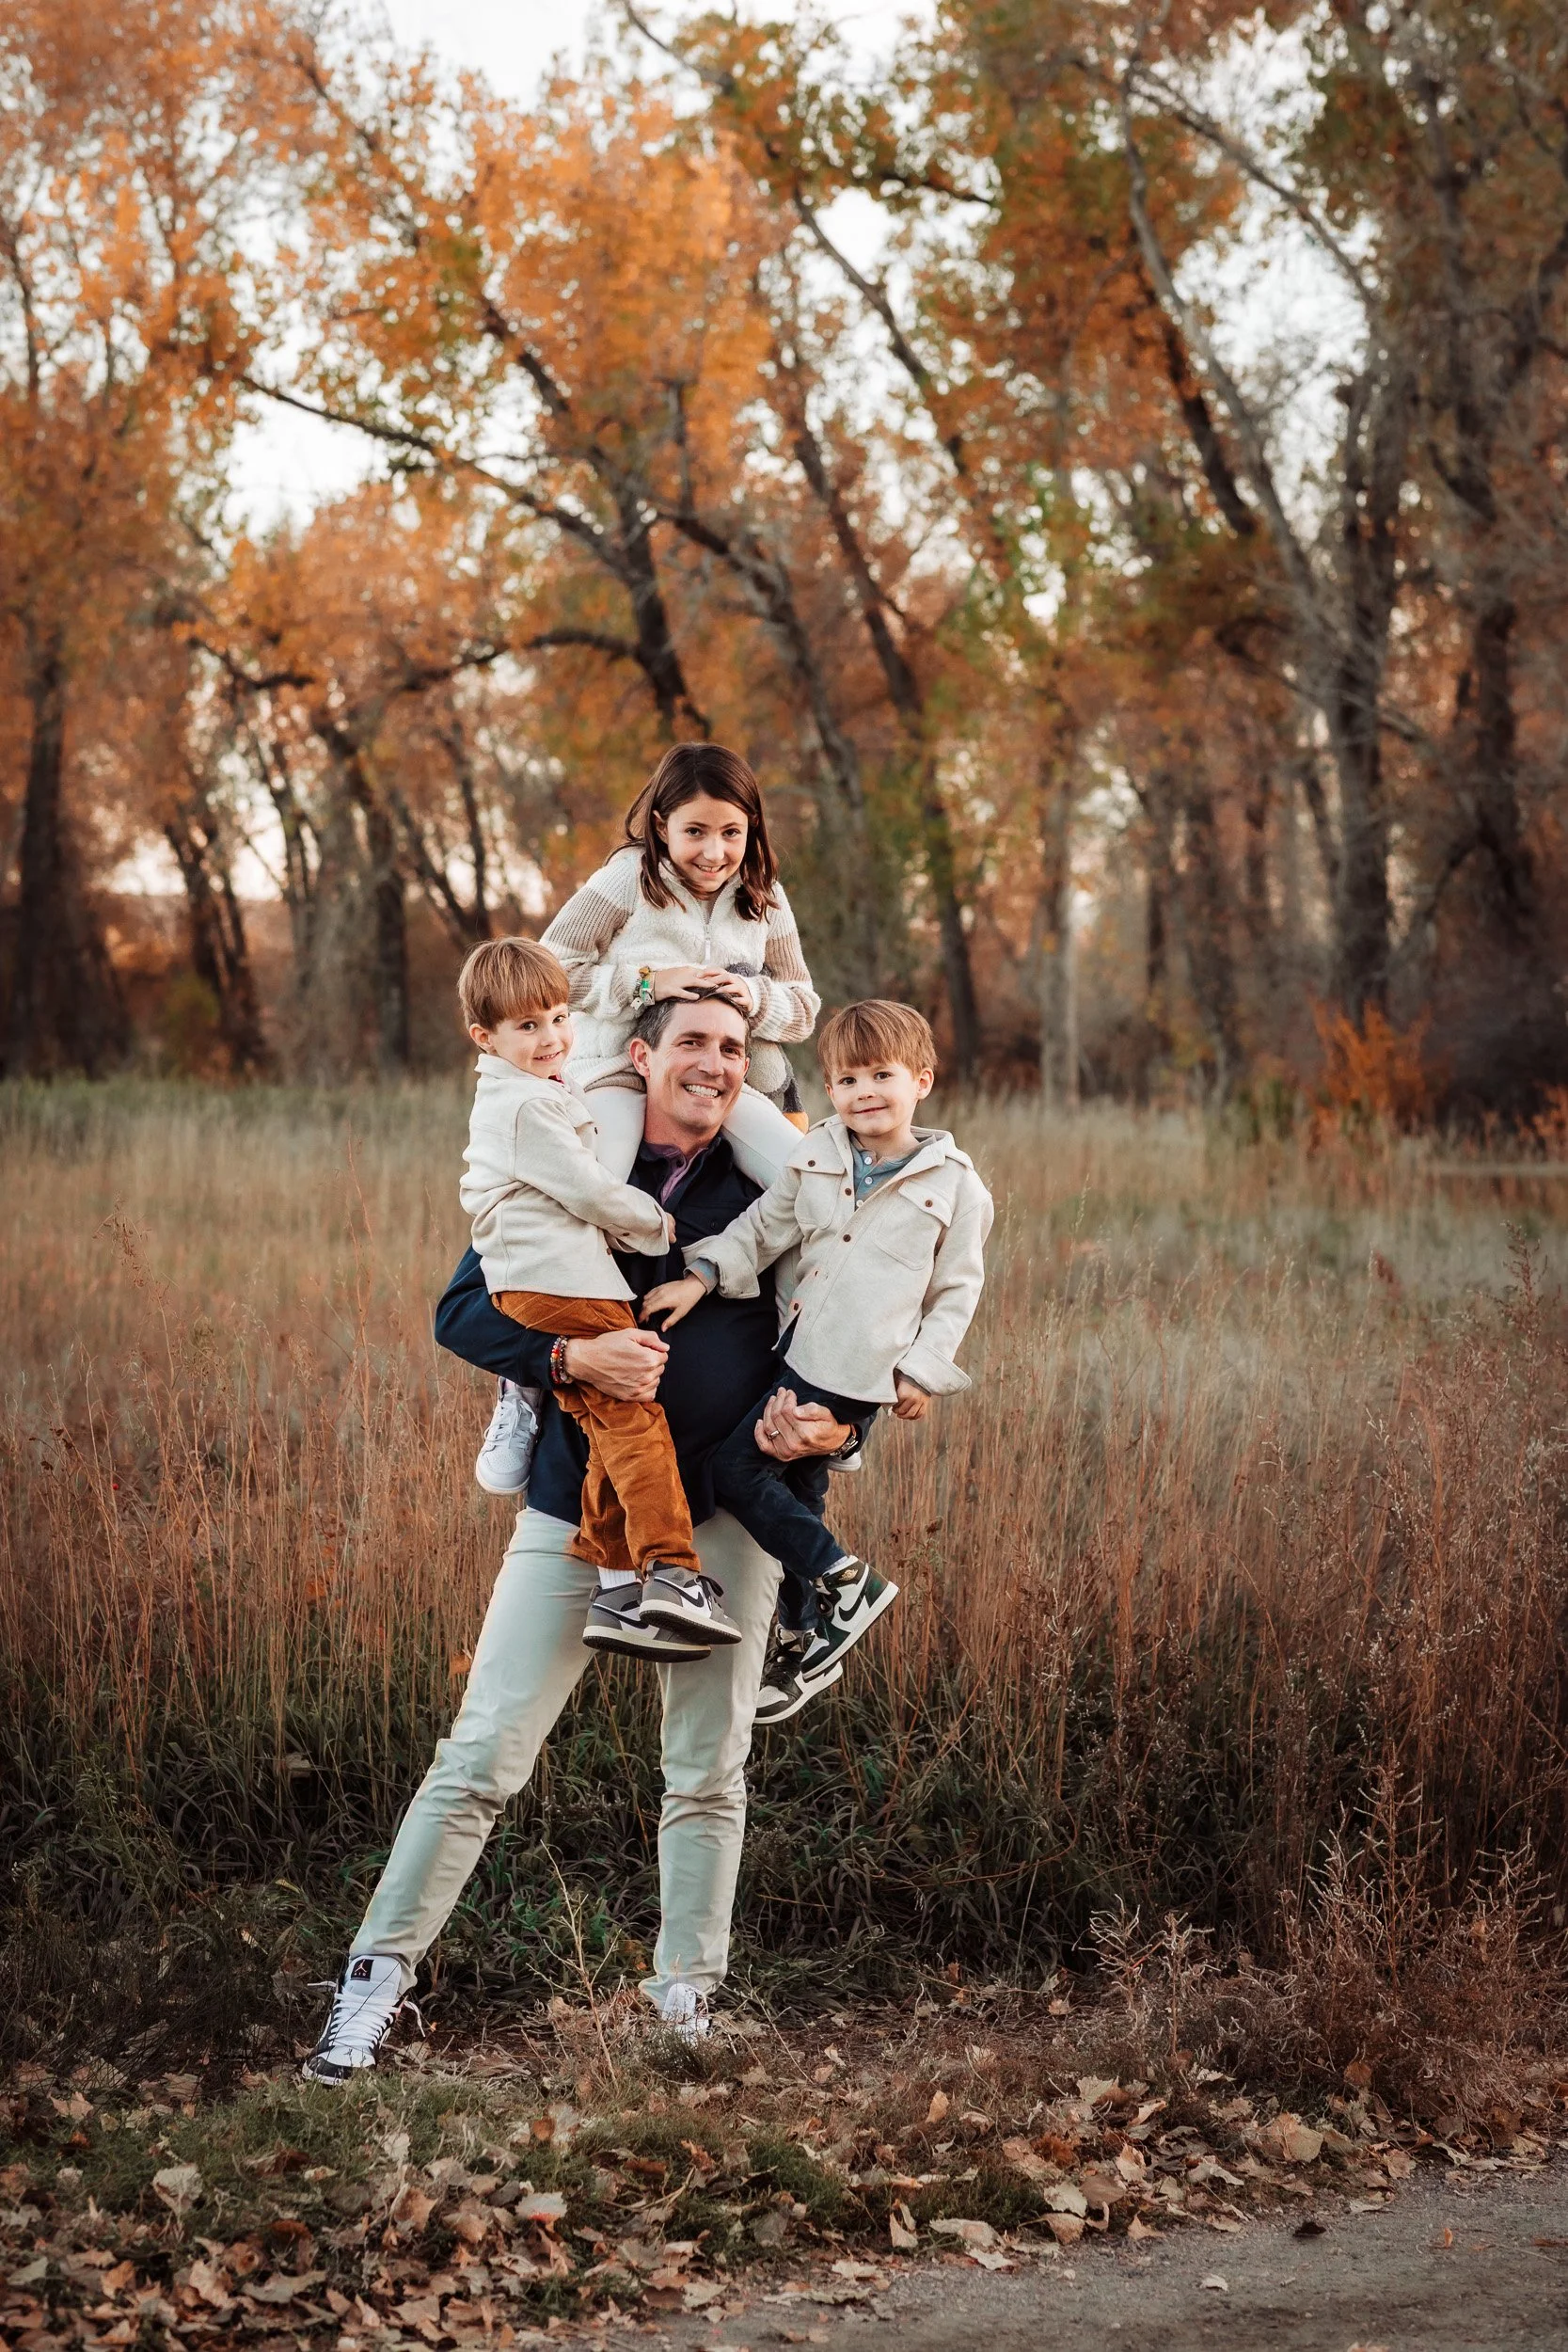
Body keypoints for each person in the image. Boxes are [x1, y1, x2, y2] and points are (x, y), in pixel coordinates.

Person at [301, 990, 861, 2084]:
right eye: (691, 1042)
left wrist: (842, 1419)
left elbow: (847, 1325)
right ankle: (371, 1986)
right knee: (478, 1758)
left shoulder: (773, 1187)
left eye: (733, 1049)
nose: (713, 1062)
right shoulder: (568, 1153)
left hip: (730, 1523)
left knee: (708, 1770)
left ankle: (682, 2005)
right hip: (571, 1514)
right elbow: (462, 1311)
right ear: (639, 1055)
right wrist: (569, 1363)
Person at [476, 740, 819, 1500]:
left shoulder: (765, 895)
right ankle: (524, 1388)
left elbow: (802, 1005)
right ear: (661, 824)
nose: (714, 850)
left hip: (734, 1084)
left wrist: (748, 997)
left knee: (812, 1181)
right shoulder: (625, 881)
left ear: (750, 830)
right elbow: (550, 966)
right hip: (618, 1073)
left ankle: (821, 1383)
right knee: (584, 1187)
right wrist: (645, 980)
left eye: (731, 832)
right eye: (695, 831)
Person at [644, 1000, 992, 1727]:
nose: (864, 1092)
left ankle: (844, 1581)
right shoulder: (818, 1154)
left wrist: (921, 1371)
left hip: (854, 1370)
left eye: (881, 1075)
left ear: (920, 1080)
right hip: (796, 1346)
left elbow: (957, 1289)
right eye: (846, 1079)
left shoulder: (955, 1185)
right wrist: (700, 1275)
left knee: (736, 1471)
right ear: (828, 1090)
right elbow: (764, 1228)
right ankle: (806, 1640)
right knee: (798, 1493)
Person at [456, 933, 739, 1658]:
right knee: (635, 1423)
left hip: (550, 1274)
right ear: (484, 1038)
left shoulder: (540, 1093)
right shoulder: (529, 1109)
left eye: (557, 1017)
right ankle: (669, 1571)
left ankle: (616, 1589)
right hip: (554, 1281)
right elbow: (583, 1190)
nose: (551, 1037)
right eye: (528, 1027)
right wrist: (654, 1224)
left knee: (612, 1434)